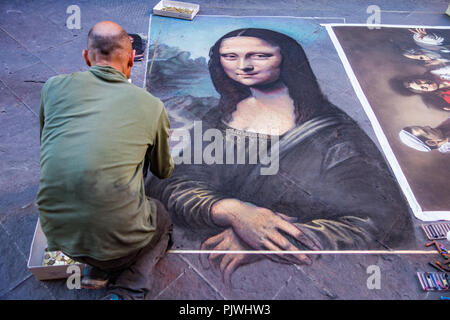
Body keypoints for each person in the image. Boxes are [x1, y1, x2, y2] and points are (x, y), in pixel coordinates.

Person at [146, 28, 415, 286]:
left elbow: (383, 222)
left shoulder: (336, 136)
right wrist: (232, 211)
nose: (244, 65)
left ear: (287, 59)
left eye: (260, 55)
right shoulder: (218, 115)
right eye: (230, 57)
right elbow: (172, 183)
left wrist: (270, 236)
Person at [37, 21, 174, 300]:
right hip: (118, 240)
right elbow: (162, 170)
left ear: (86, 57)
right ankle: (127, 290)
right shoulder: (151, 105)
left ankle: (95, 270)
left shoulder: (52, 88)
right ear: (131, 60)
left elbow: (47, 143)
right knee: (162, 219)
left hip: (61, 240)